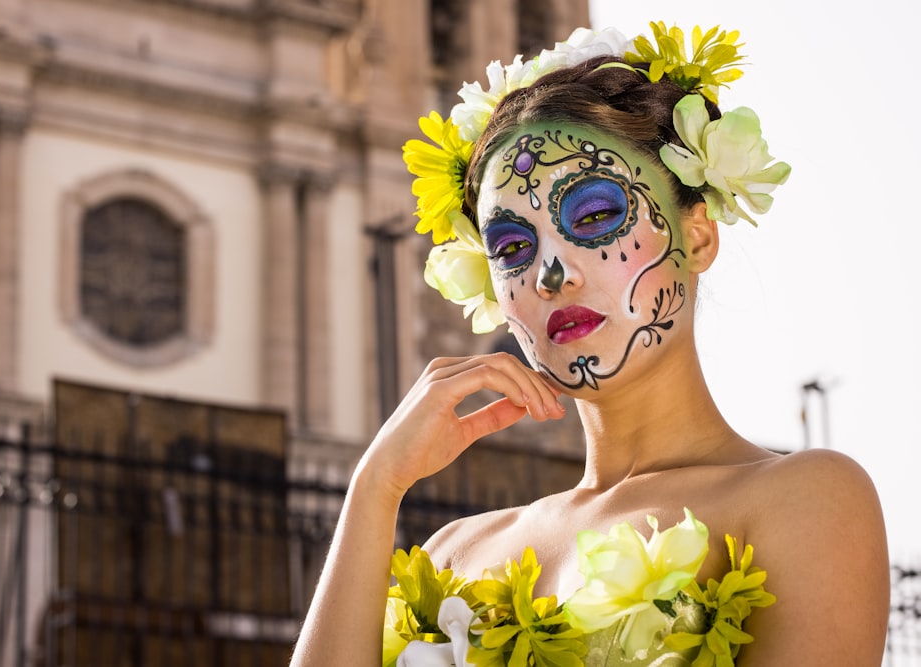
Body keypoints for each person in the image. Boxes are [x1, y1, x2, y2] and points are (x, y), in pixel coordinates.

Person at [291, 22, 889, 666]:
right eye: (514, 247)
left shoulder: (807, 498)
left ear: (699, 237)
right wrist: (376, 485)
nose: (552, 273)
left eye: (597, 216)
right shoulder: (451, 554)